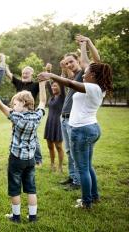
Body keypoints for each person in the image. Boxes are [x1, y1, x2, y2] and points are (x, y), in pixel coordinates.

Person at [38, 58, 112, 209]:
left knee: (82, 168)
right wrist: (84, 45)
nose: (84, 75)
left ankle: (86, 202)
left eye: (87, 73)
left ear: (95, 76)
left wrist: (51, 75)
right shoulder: (97, 88)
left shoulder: (93, 88)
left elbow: (70, 84)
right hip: (90, 128)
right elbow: (82, 66)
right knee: (87, 166)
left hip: (82, 130)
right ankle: (94, 196)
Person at [0, 79, 47, 223]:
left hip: (16, 159)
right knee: (31, 188)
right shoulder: (37, 116)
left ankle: (16, 217)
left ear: (24, 104)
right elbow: (43, 102)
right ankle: (32, 217)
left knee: (15, 188)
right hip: (30, 159)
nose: (13, 106)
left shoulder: (17, 117)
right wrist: (42, 84)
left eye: (15, 103)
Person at [58, 35, 100, 190]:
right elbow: (66, 77)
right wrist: (63, 67)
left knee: (76, 154)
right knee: (70, 152)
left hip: (75, 121)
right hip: (65, 118)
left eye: (72, 61)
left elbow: (93, 60)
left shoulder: (84, 73)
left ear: (78, 61)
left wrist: (86, 44)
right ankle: (73, 177)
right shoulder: (75, 76)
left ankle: (77, 182)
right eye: (67, 62)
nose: (69, 64)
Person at [5, 65, 43, 166]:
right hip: (17, 115)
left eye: (26, 73)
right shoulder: (19, 83)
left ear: (31, 74)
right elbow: (9, 75)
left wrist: (47, 72)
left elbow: (44, 88)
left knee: (33, 138)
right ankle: (15, 154)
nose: (24, 75)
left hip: (30, 115)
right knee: (15, 134)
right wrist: (5, 65)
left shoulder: (35, 85)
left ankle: (38, 159)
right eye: (23, 73)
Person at [43, 63, 65, 173]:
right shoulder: (52, 96)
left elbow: (61, 81)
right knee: (50, 146)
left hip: (58, 123)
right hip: (49, 122)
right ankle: (52, 165)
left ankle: (60, 166)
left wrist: (62, 69)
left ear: (60, 87)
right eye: (53, 86)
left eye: (55, 86)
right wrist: (47, 70)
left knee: (58, 146)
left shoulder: (62, 97)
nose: (53, 87)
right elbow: (47, 84)